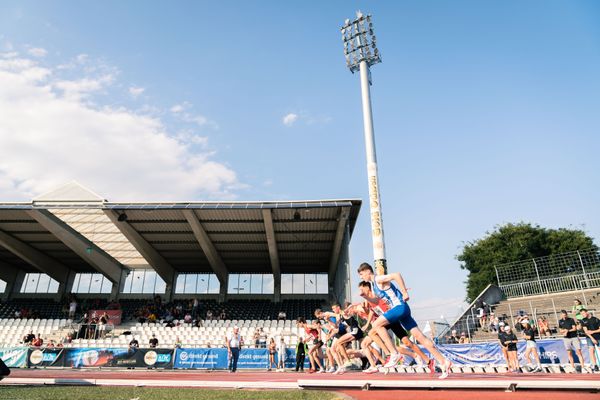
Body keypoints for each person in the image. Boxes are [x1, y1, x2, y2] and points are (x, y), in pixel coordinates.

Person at [357, 262, 451, 379]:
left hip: (400, 307)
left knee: (376, 325)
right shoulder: (374, 286)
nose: (361, 277)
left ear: (367, 271)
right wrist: (365, 297)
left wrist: (404, 291)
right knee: (420, 337)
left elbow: (397, 275)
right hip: (402, 311)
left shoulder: (378, 279)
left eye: (361, 274)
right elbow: (376, 301)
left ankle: (394, 353)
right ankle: (443, 361)